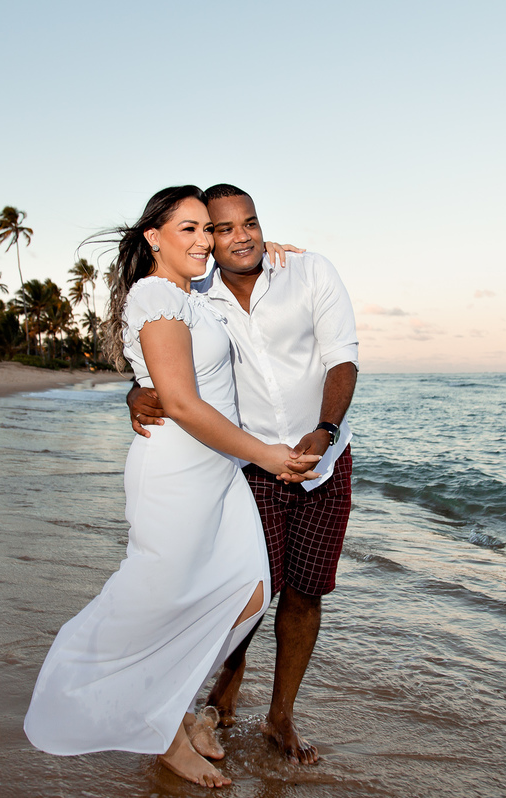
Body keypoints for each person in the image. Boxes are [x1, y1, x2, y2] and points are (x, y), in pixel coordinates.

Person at [24, 185, 319, 788]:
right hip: (179, 475)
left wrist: (269, 252)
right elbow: (181, 403)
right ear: (153, 239)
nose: (204, 241)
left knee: (248, 592)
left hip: (218, 475)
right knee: (154, 598)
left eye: (207, 230)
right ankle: (156, 727)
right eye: (187, 229)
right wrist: (266, 454)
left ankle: (175, 709)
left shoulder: (196, 295)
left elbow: (235, 297)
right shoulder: (157, 295)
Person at [128, 183, 358, 765]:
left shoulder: (309, 272)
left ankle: (280, 715)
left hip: (323, 461)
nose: (239, 236)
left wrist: (325, 430)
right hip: (248, 464)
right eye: (220, 228)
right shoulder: (195, 286)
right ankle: (222, 695)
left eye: (248, 223)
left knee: (305, 592)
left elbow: (343, 358)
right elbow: (165, 352)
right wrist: (137, 390)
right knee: (247, 588)